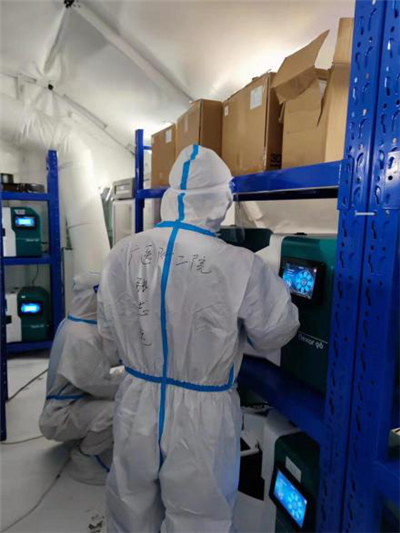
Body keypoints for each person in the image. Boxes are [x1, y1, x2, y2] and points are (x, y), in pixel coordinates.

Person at [98, 145, 300, 531]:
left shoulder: (120, 255)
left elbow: (107, 332)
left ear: (171, 198)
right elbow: (277, 331)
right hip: (202, 417)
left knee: (129, 504)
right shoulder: (238, 263)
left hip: (136, 401)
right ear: (220, 200)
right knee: (199, 519)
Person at [39, 271, 124, 485]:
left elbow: (100, 361)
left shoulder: (73, 323)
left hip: (71, 401)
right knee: (118, 410)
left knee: (121, 391)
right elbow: (98, 384)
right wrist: (133, 382)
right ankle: (86, 459)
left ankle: (83, 435)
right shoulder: (81, 336)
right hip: (60, 415)